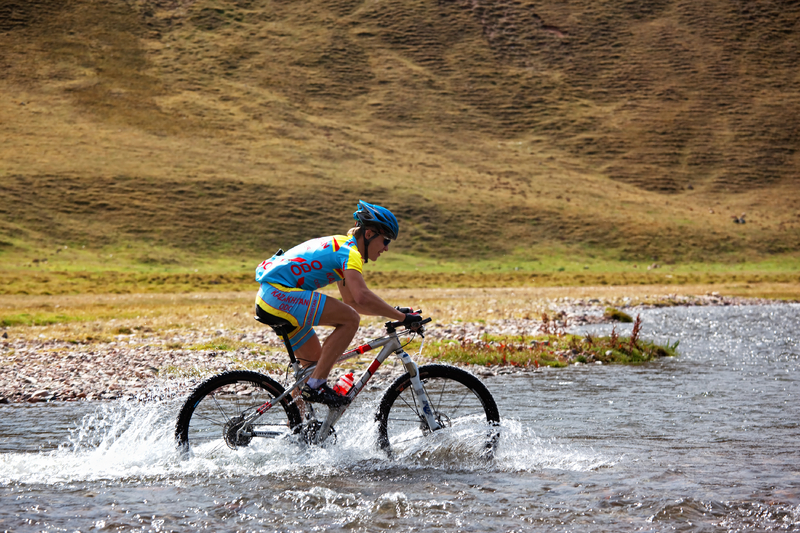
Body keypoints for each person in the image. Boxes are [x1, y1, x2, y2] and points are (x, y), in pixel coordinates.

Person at [254, 200, 422, 407]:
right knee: (350, 321)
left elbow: (352, 301)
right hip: (279, 296)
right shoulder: (350, 253)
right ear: (369, 234)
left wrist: (394, 312)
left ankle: (299, 430)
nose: (386, 248)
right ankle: (315, 386)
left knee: (314, 367)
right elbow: (361, 297)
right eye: (386, 241)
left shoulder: (343, 246)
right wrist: (403, 318)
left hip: (270, 298)